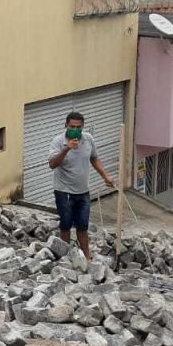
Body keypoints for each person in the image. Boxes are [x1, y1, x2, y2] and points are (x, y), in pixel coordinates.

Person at [47, 111, 116, 260]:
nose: (75, 130)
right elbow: (52, 164)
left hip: (83, 191)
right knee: (65, 225)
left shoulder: (88, 139)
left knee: (83, 225)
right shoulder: (58, 141)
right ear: (66, 125)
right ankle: (64, 258)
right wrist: (66, 149)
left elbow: (94, 158)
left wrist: (106, 176)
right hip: (63, 191)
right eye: (72, 126)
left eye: (78, 127)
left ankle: (87, 256)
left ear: (83, 126)